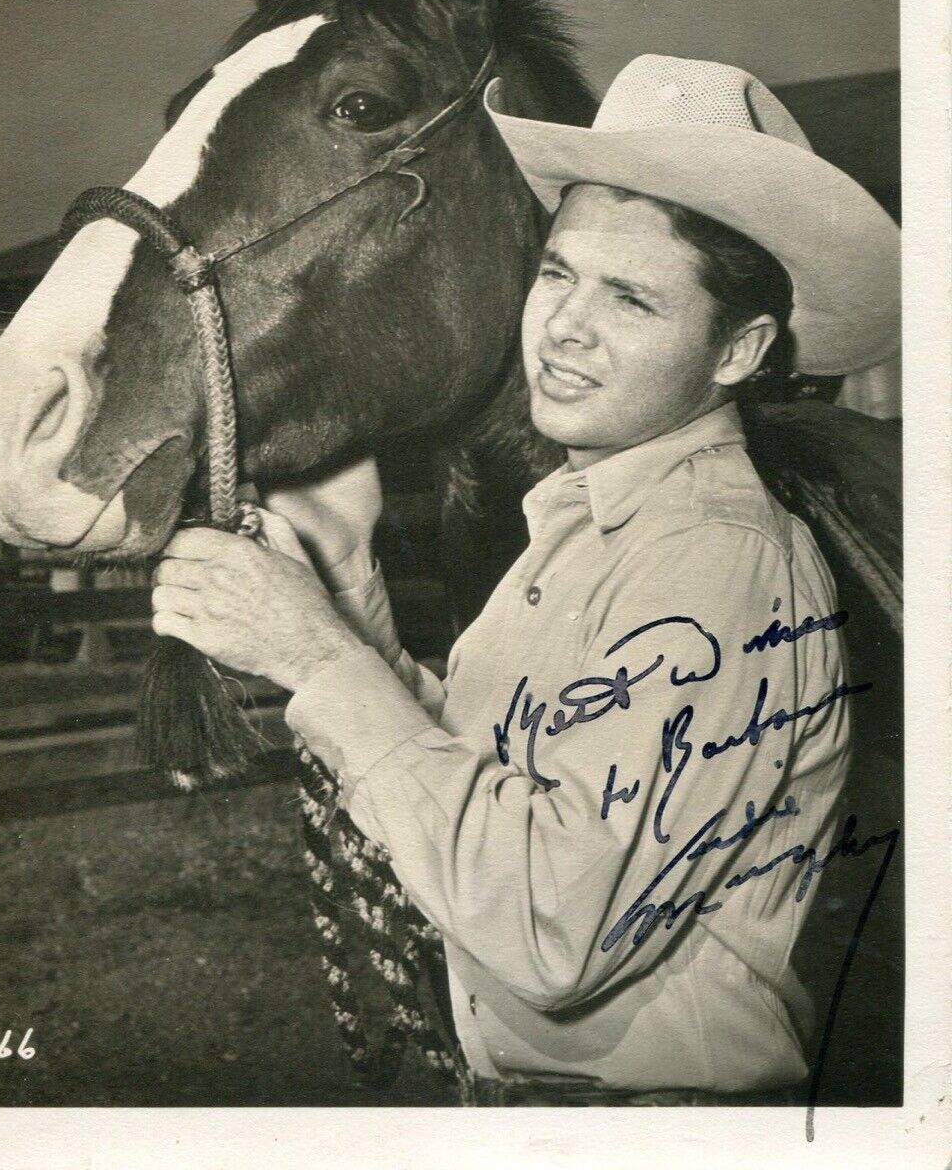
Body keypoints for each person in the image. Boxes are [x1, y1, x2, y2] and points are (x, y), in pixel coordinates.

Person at [150, 55, 900, 1102]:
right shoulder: (588, 530)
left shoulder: (712, 560)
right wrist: (345, 611)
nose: (563, 327)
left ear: (738, 348)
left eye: (630, 298)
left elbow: (553, 928)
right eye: (556, 273)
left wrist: (314, 655)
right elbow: (496, 795)